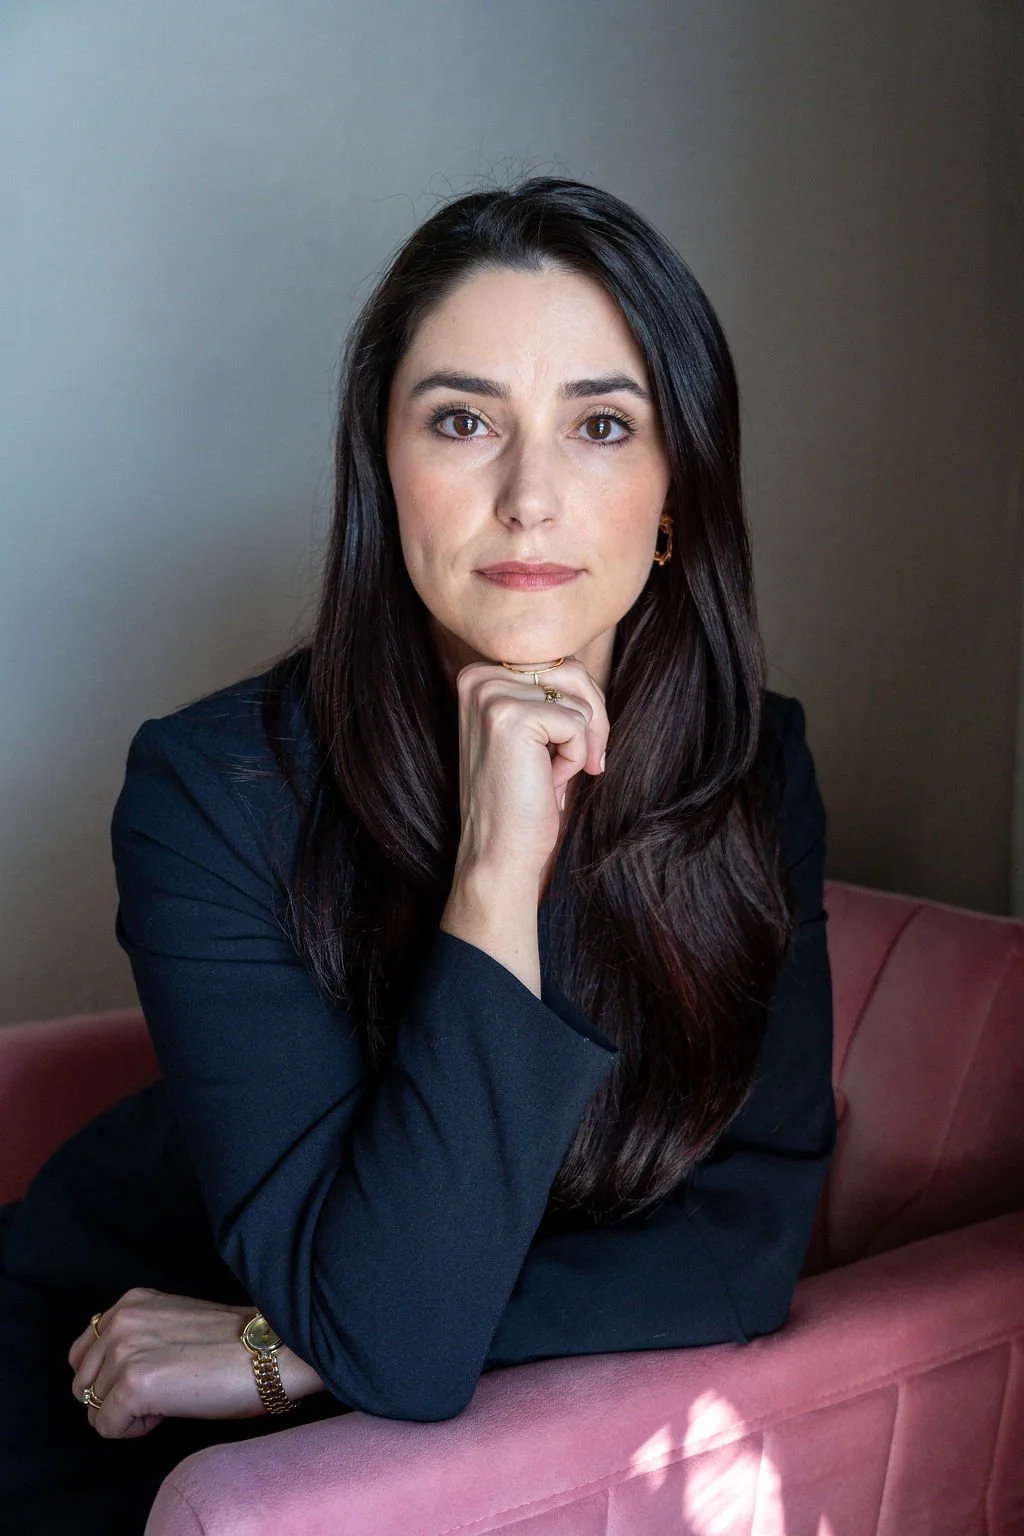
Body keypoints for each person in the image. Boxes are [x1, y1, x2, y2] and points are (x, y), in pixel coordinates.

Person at [0, 176, 836, 1533]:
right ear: (382, 473)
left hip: (259, 1358)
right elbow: (404, 1338)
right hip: (107, 1383)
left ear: (675, 489)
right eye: (462, 421)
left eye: (602, 426)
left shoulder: (750, 763)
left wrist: (283, 1349)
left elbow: (745, 1250)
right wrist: (497, 869)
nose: (528, 499)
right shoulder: (210, 791)